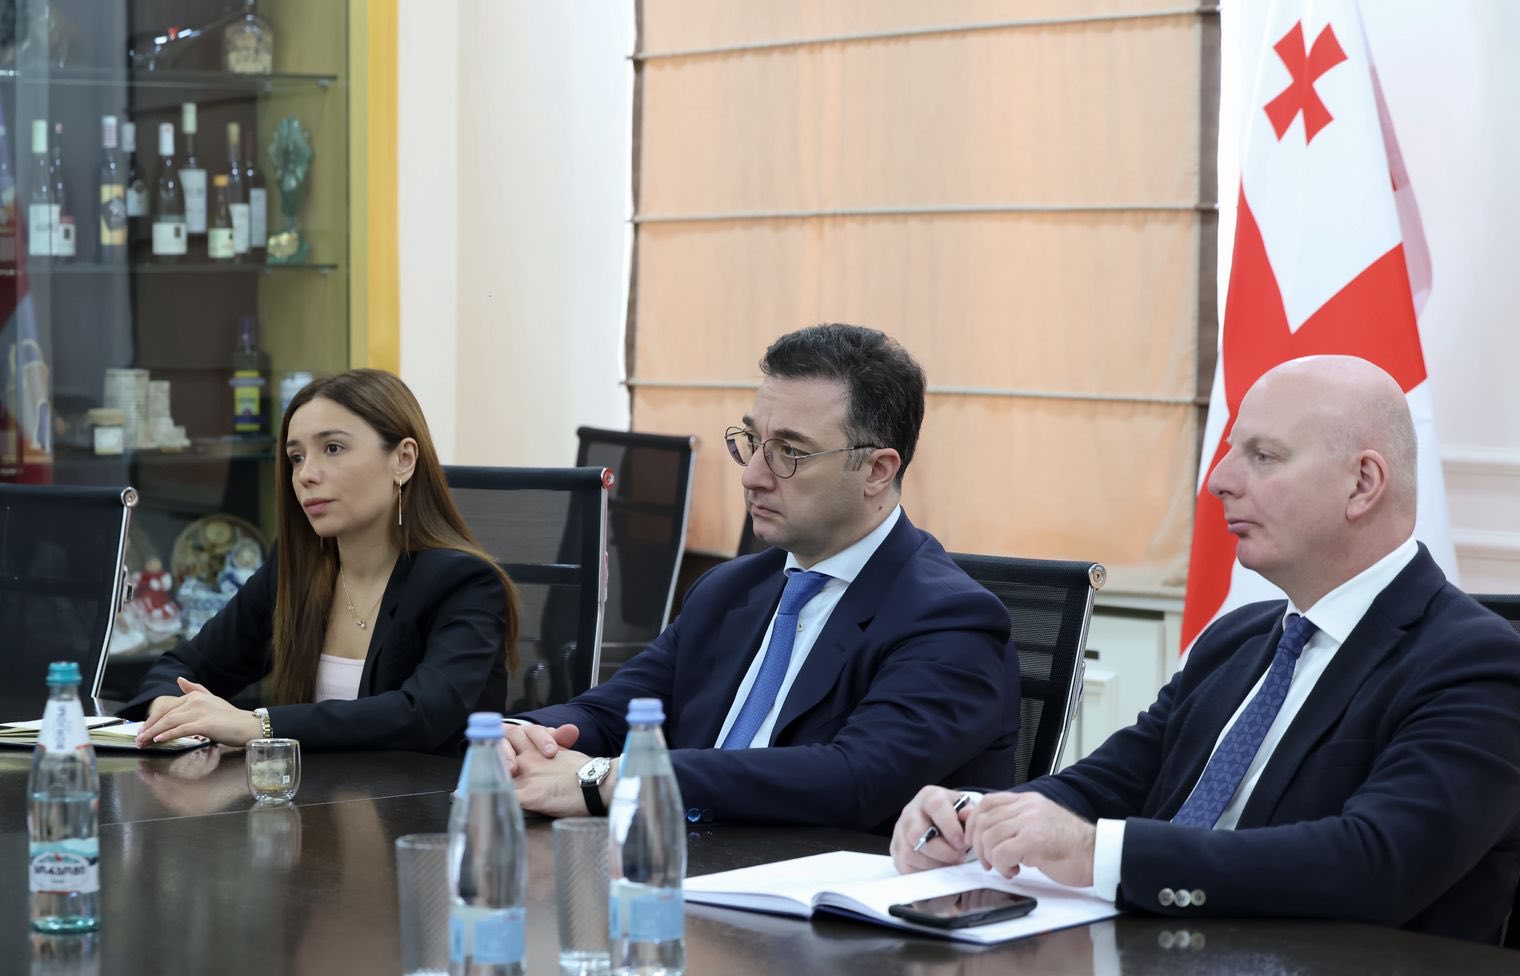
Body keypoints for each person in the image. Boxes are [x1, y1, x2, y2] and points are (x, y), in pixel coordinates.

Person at [891, 355, 1520, 944]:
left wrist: (1096, 853)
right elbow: (1112, 783)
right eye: (1231, 452)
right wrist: (977, 817)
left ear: (1363, 483)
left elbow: (1375, 865)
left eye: (1263, 456)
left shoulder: (1473, 663)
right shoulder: (1237, 640)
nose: (1220, 480)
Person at [502, 323, 1020, 831]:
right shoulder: (730, 589)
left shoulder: (950, 619)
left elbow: (854, 778)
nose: (752, 475)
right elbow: (613, 713)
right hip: (685, 860)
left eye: (790, 452)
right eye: (753, 442)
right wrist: (521, 737)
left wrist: (619, 779)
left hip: (820, 880)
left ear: (877, 470)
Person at [123, 368, 518, 754]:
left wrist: (259, 725)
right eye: (296, 457)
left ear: (403, 459)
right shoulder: (297, 572)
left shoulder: (464, 583)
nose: (305, 475)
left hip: (431, 797)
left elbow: (423, 715)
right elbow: (183, 666)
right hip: (309, 796)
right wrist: (167, 708)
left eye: (332, 448)